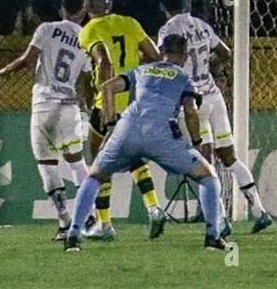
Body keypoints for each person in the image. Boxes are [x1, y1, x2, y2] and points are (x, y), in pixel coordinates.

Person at [64, 34, 226, 252]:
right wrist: (197, 142)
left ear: (162, 51)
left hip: (127, 129)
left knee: (94, 177)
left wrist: (111, 123)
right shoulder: (182, 77)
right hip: (161, 135)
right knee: (208, 177)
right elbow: (190, 110)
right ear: (185, 56)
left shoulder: (142, 70)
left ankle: (73, 237)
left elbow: (108, 87)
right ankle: (212, 238)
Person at [158, 0, 272, 235]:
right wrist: (208, 66)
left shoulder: (168, 30)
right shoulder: (201, 25)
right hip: (212, 95)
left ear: (163, 7)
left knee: (203, 165)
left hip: (190, 100)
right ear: (185, 3)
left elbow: (164, 64)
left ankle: (220, 220)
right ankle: (260, 211)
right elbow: (225, 52)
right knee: (229, 157)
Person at [0, 0, 93, 239]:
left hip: (43, 105)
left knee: (47, 165)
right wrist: (90, 107)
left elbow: (28, 60)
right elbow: (87, 81)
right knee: (76, 162)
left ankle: (64, 222)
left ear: (62, 9)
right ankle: (88, 215)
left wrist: (8, 69)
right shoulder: (86, 39)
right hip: (69, 106)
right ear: (82, 12)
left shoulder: (47, 29)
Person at [78, 0, 163, 239]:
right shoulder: (130, 23)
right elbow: (155, 56)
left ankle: (104, 225)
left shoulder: (89, 30)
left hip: (108, 105)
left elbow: (104, 62)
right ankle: (154, 208)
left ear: (87, 6)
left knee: (99, 160)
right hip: (135, 102)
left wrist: (109, 107)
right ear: (109, 3)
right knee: (134, 157)